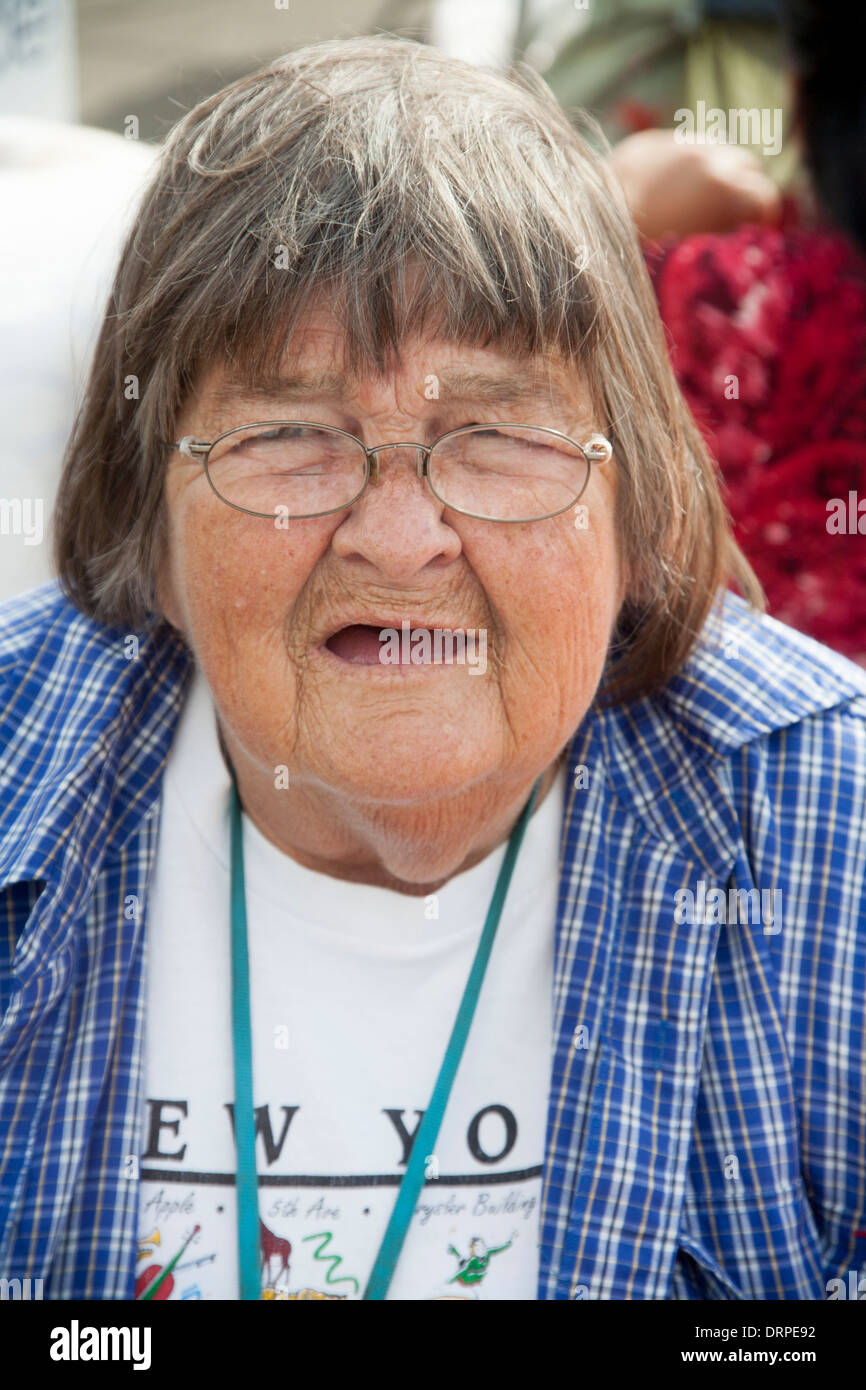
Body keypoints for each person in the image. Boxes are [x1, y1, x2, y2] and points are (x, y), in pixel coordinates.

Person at [1, 35, 864, 1302]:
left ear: (639, 510)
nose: (399, 539)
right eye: (289, 434)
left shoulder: (827, 836)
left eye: (496, 434)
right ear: (147, 522)